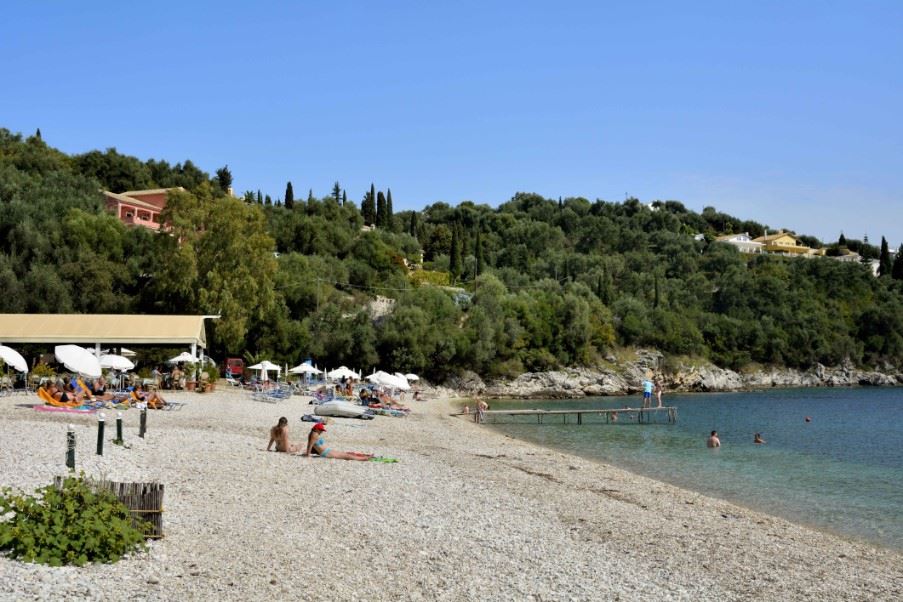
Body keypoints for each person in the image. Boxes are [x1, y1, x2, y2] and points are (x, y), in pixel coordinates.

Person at [302, 423, 373, 461]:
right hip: (326, 453)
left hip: (327, 451)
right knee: (346, 456)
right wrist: (308, 455)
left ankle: (365, 456)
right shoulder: (313, 435)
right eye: (321, 430)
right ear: (316, 429)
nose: (321, 432)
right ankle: (364, 458)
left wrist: (312, 452)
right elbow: (310, 445)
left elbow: (314, 446)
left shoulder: (315, 434)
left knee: (346, 453)